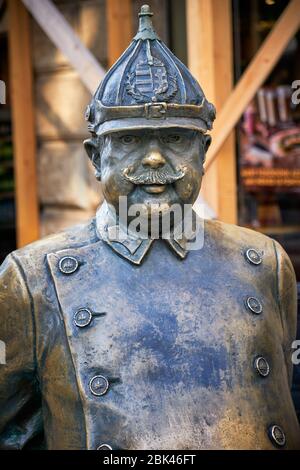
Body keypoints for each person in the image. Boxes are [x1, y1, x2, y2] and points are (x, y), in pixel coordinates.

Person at [0, 5, 299, 450]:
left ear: (202, 152)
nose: (156, 159)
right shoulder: (31, 280)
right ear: (97, 158)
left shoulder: (263, 262)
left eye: (176, 139)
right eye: (130, 140)